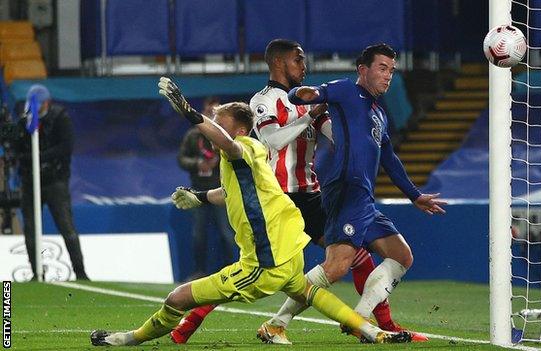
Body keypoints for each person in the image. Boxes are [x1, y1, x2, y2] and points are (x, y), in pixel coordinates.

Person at [89, 79, 412, 346]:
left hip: (264, 261)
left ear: (240, 131)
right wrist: (200, 197)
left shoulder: (242, 148)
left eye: (221, 123)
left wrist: (191, 114)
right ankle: (372, 331)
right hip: (288, 250)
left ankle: (129, 339)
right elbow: (229, 192)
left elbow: (228, 144)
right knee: (309, 292)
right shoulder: (248, 159)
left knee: (177, 298)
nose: (216, 127)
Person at [169, 39, 424, 345]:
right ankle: (191, 323)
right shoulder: (262, 101)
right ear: (279, 63)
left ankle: (380, 323)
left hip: (310, 194)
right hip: (277, 198)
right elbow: (274, 141)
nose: (304, 67)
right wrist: (309, 116)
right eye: (298, 61)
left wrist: (358, 134)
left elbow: (337, 135)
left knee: (353, 257)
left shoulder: (310, 100)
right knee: (252, 275)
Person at [277, 43, 448, 339]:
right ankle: (277, 323)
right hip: (345, 190)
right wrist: (301, 95)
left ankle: (359, 318)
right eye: (382, 68)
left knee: (401, 255)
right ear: (363, 70)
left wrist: (414, 195)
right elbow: (303, 95)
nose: (388, 76)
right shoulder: (345, 90)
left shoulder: (379, 113)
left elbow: (389, 159)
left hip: (363, 198)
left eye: (391, 71)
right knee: (335, 267)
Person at [16, 84, 88, 281]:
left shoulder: (60, 118)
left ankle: (80, 272)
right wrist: (28, 158)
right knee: (30, 228)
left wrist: (39, 156)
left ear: (47, 102)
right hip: (30, 183)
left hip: (55, 182)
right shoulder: (25, 122)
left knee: (66, 226)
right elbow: (18, 151)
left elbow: (65, 147)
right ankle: (36, 273)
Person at [177, 97, 236, 278]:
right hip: (199, 191)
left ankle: (232, 272)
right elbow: (181, 158)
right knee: (198, 235)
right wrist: (197, 164)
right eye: (209, 110)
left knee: (228, 234)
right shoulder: (193, 135)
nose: (211, 113)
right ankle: (199, 271)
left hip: (221, 191)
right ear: (203, 111)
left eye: (215, 111)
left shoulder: (226, 137)